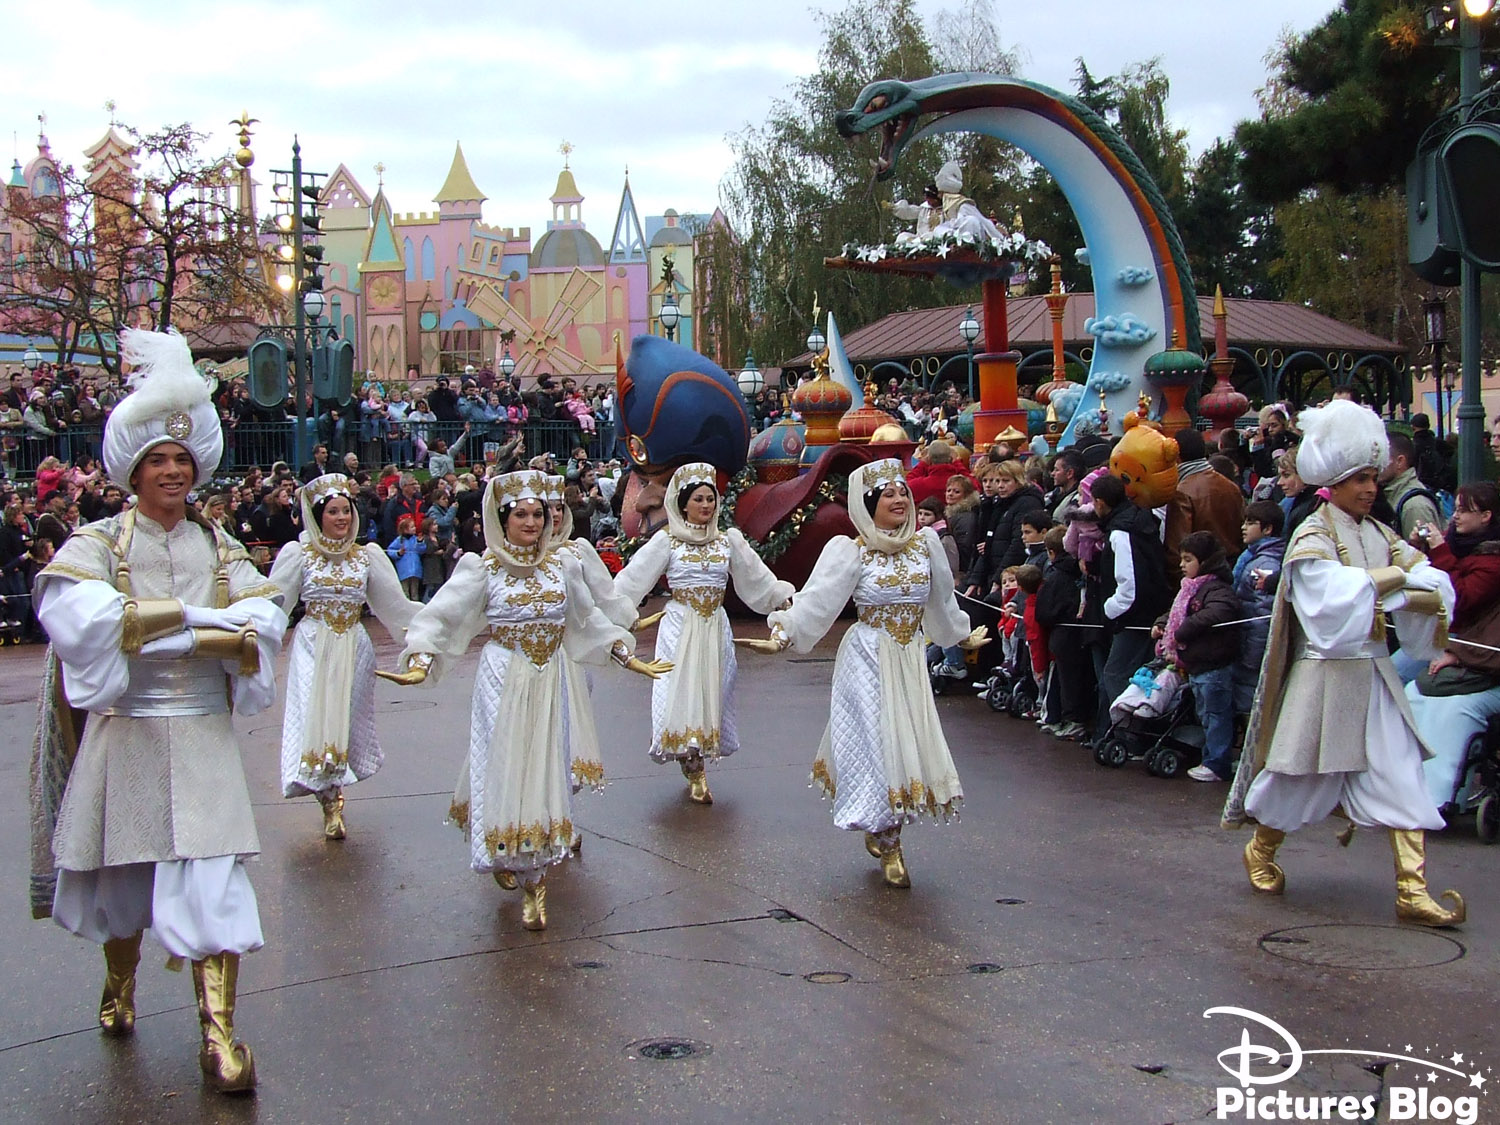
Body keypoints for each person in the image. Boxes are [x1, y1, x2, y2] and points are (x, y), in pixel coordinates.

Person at [30, 328, 286, 1093]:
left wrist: (158, 624)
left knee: (214, 881)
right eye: (157, 459)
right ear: (134, 469)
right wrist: (203, 626)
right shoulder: (100, 542)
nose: (172, 470)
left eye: (181, 458)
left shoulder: (220, 543)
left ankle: (219, 1035)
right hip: (130, 731)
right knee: (126, 880)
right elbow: (75, 615)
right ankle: (120, 982)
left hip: (202, 735)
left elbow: (264, 616)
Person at [385, 470, 670, 931]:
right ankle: (502, 846)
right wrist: (421, 658)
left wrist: (624, 654)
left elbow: (586, 620)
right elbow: (440, 617)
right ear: (502, 519)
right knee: (506, 764)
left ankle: (535, 874)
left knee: (546, 763)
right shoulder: (482, 569)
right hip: (502, 676)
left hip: (549, 677)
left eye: (538, 514)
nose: (533, 522)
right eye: (521, 514)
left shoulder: (562, 568)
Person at [1224, 400, 1463, 928]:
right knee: (1296, 777)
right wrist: (1399, 584)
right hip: (1325, 677)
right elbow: (1327, 602)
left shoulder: (1379, 534)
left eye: (1373, 477)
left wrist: (1412, 586)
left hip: (1374, 675)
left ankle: (1412, 889)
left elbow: (1428, 580)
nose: (1371, 488)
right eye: (1360, 478)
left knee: (1402, 775)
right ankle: (1261, 848)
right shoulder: (1313, 534)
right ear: (1334, 481)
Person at [754, 460, 986, 887]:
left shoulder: (926, 547)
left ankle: (885, 826)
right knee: (878, 745)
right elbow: (817, 601)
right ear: (868, 504)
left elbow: (941, 602)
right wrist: (783, 634)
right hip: (866, 657)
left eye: (903, 492)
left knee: (903, 742)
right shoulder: (852, 552)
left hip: (909, 658)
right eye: (888, 494)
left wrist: (960, 634)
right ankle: (889, 838)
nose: (899, 500)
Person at [613, 463, 794, 803]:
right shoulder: (667, 542)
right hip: (679, 627)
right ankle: (693, 765)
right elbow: (631, 581)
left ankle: (698, 756)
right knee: (680, 693)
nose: (706, 505)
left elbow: (757, 578)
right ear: (683, 504)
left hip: (715, 627)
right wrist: (613, 615)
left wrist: (783, 603)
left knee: (715, 691)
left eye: (710, 499)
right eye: (698, 499)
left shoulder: (727, 542)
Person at [269, 475, 416, 839]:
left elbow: (395, 607)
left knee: (344, 720)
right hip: (312, 644)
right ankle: (328, 801)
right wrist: (248, 642)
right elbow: (273, 606)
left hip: (354, 645)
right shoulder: (299, 555)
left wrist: (427, 641)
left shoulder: (366, 557)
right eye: (333, 512)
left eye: (346, 511)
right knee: (315, 717)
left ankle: (335, 794)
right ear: (318, 517)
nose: (341, 518)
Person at [1404, 481, 1500, 810]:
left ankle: (1440, 797)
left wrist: (1457, 655)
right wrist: (1419, 548)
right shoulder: (1460, 546)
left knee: (1453, 708)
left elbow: (1458, 599)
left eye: (1464, 510)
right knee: (1413, 693)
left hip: (1479, 655)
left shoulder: (1493, 560)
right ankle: (1407, 789)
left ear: (1486, 516)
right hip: (1461, 646)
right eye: (1455, 508)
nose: (1455, 516)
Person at [1149, 531, 1244, 783]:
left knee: (1216, 715)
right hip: (1197, 664)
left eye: (1188, 559)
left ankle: (1217, 764)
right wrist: (1162, 624)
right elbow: (1174, 612)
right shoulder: (1190, 589)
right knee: (1206, 714)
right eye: (1182, 559)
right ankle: (1211, 758)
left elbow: (1221, 611)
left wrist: (1182, 630)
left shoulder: (1216, 588)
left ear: (1205, 561)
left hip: (1213, 664)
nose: (1182, 564)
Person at [386, 514, 426, 600]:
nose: (415, 528)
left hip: (415, 570)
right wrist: (399, 553)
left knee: (415, 592)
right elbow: (390, 550)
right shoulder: (399, 540)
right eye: (412, 527)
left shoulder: (415, 539)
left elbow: (422, 550)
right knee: (405, 591)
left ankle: (415, 605)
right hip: (403, 570)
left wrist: (420, 543)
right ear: (405, 529)